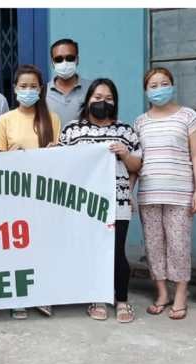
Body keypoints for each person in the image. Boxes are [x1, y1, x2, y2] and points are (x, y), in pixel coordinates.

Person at [60, 79, 142, 322]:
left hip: (117, 201)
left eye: (108, 98)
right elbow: (62, 163)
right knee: (92, 251)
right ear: (88, 100)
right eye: (97, 97)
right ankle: (97, 296)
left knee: (117, 252)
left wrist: (125, 154)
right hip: (84, 202)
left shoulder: (125, 131)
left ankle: (122, 300)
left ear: (115, 103)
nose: (102, 102)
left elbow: (137, 165)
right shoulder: (72, 130)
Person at [134, 67, 196, 321]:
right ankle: (162, 293)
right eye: (153, 85)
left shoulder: (188, 117)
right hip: (150, 193)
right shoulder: (141, 121)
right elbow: (137, 160)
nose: (159, 89)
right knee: (154, 246)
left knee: (178, 245)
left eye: (164, 83)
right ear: (146, 91)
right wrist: (130, 193)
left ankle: (181, 295)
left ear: (173, 86)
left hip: (180, 192)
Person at [0, 64, 61, 319]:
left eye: (33, 86)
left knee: (43, 244)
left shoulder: (51, 119)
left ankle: (43, 295)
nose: (28, 90)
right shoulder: (5, 120)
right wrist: (9, 157)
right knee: (17, 246)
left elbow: (60, 157)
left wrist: (56, 152)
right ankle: (18, 297)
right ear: (15, 89)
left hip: (43, 193)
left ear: (41, 89)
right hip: (14, 194)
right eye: (23, 86)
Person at [45, 39, 91, 130]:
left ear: (77, 60)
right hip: (53, 144)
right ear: (52, 63)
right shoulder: (43, 92)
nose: (64, 62)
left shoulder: (92, 89)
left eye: (70, 58)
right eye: (58, 59)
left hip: (84, 144)